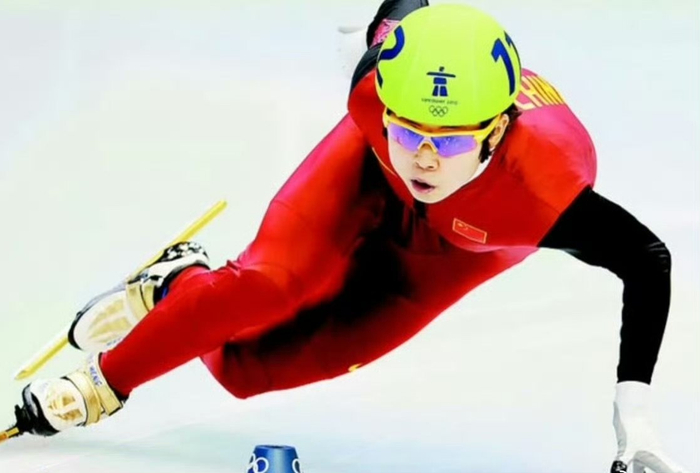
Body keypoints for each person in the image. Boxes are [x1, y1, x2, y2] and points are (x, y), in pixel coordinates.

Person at [10, 2, 689, 472]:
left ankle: (176, 284)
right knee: (270, 285)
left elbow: (648, 260)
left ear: (497, 131)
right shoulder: (373, 89)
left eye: (450, 141)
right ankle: (103, 384)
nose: (425, 159)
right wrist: (107, 377)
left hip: (455, 252)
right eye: (409, 130)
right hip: (364, 173)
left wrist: (635, 419)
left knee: (248, 372)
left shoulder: (547, 194)